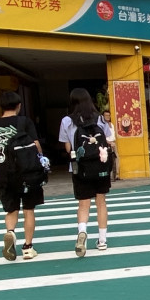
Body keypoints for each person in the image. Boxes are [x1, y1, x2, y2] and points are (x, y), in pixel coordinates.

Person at [0, 90, 47, 261]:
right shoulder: (24, 122)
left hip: (4, 174)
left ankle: (10, 233)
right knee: (28, 209)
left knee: (11, 209)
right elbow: (36, 145)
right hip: (27, 173)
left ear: (0, 107)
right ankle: (28, 248)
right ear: (19, 106)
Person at [59, 88, 115, 256]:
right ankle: (102, 241)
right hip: (100, 167)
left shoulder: (67, 121)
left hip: (79, 168)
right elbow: (110, 142)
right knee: (101, 202)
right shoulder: (100, 119)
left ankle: (82, 232)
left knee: (83, 204)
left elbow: (68, 147)